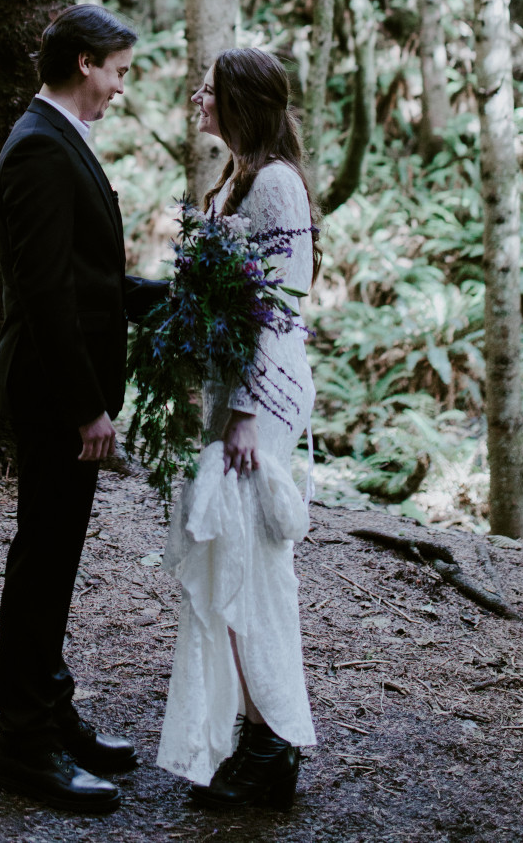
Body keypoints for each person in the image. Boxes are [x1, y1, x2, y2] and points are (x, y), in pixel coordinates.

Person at [0, 4, 168, 815]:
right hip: (55, 393)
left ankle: (52, 716)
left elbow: (88, 279)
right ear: (87, 63)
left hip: (69, 388)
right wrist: (87, 409)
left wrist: (172, 298)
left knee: (57, 556)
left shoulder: (59, 138)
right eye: (120, 72)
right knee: (43, 558)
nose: (121, 88)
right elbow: (44, 293)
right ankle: (24, 745)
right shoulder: (37, 148)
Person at [158, 47, 318, 810]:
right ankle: (244, 733)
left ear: (244, 101)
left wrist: (248, 415)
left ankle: (273, 747)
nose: (199, 96)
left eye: (212, 89)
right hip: (229, 398)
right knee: (226, 561)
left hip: (263, 403)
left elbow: (282, 308)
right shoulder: (234, 180)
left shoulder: (279, 188)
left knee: (250, 568)